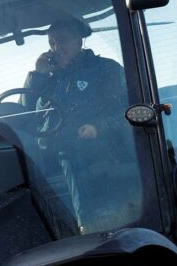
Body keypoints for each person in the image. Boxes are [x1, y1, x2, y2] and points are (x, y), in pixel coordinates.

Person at [29, 16, 136, 231]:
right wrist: (37, 75)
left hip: (108, 155)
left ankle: (94, 229)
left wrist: (99, 128)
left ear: (79, 41)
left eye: (63, 40)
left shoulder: (106, 70)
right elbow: (31, 115)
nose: (57, 48)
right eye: (51, 43)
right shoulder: (48, 81)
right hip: (60, 162)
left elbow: (131, 112)